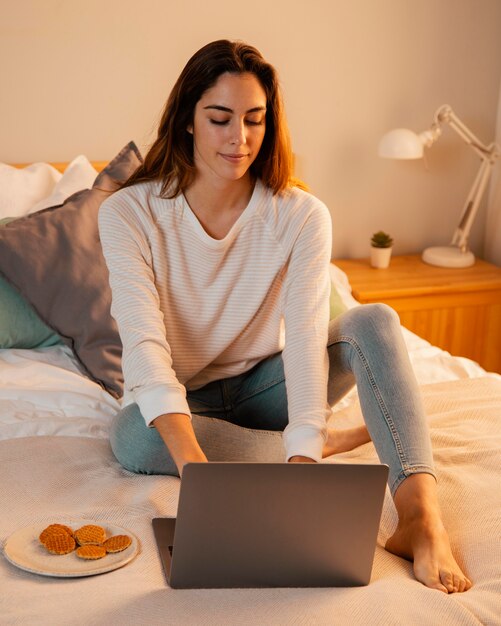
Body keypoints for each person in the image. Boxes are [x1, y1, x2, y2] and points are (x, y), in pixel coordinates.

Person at [98, 39, 471, 594]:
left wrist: (302, 462)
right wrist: (199, 477)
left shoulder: (300, 215)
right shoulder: (128, 212)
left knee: (375, 321)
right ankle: (332, 438)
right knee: (134, 437)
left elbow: (302, 337)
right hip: (184, 401)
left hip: (262, 388)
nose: (239, 138)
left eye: (254, 120)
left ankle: (420, 513)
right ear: (187, 122)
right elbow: (145, 347)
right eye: (220, 118)